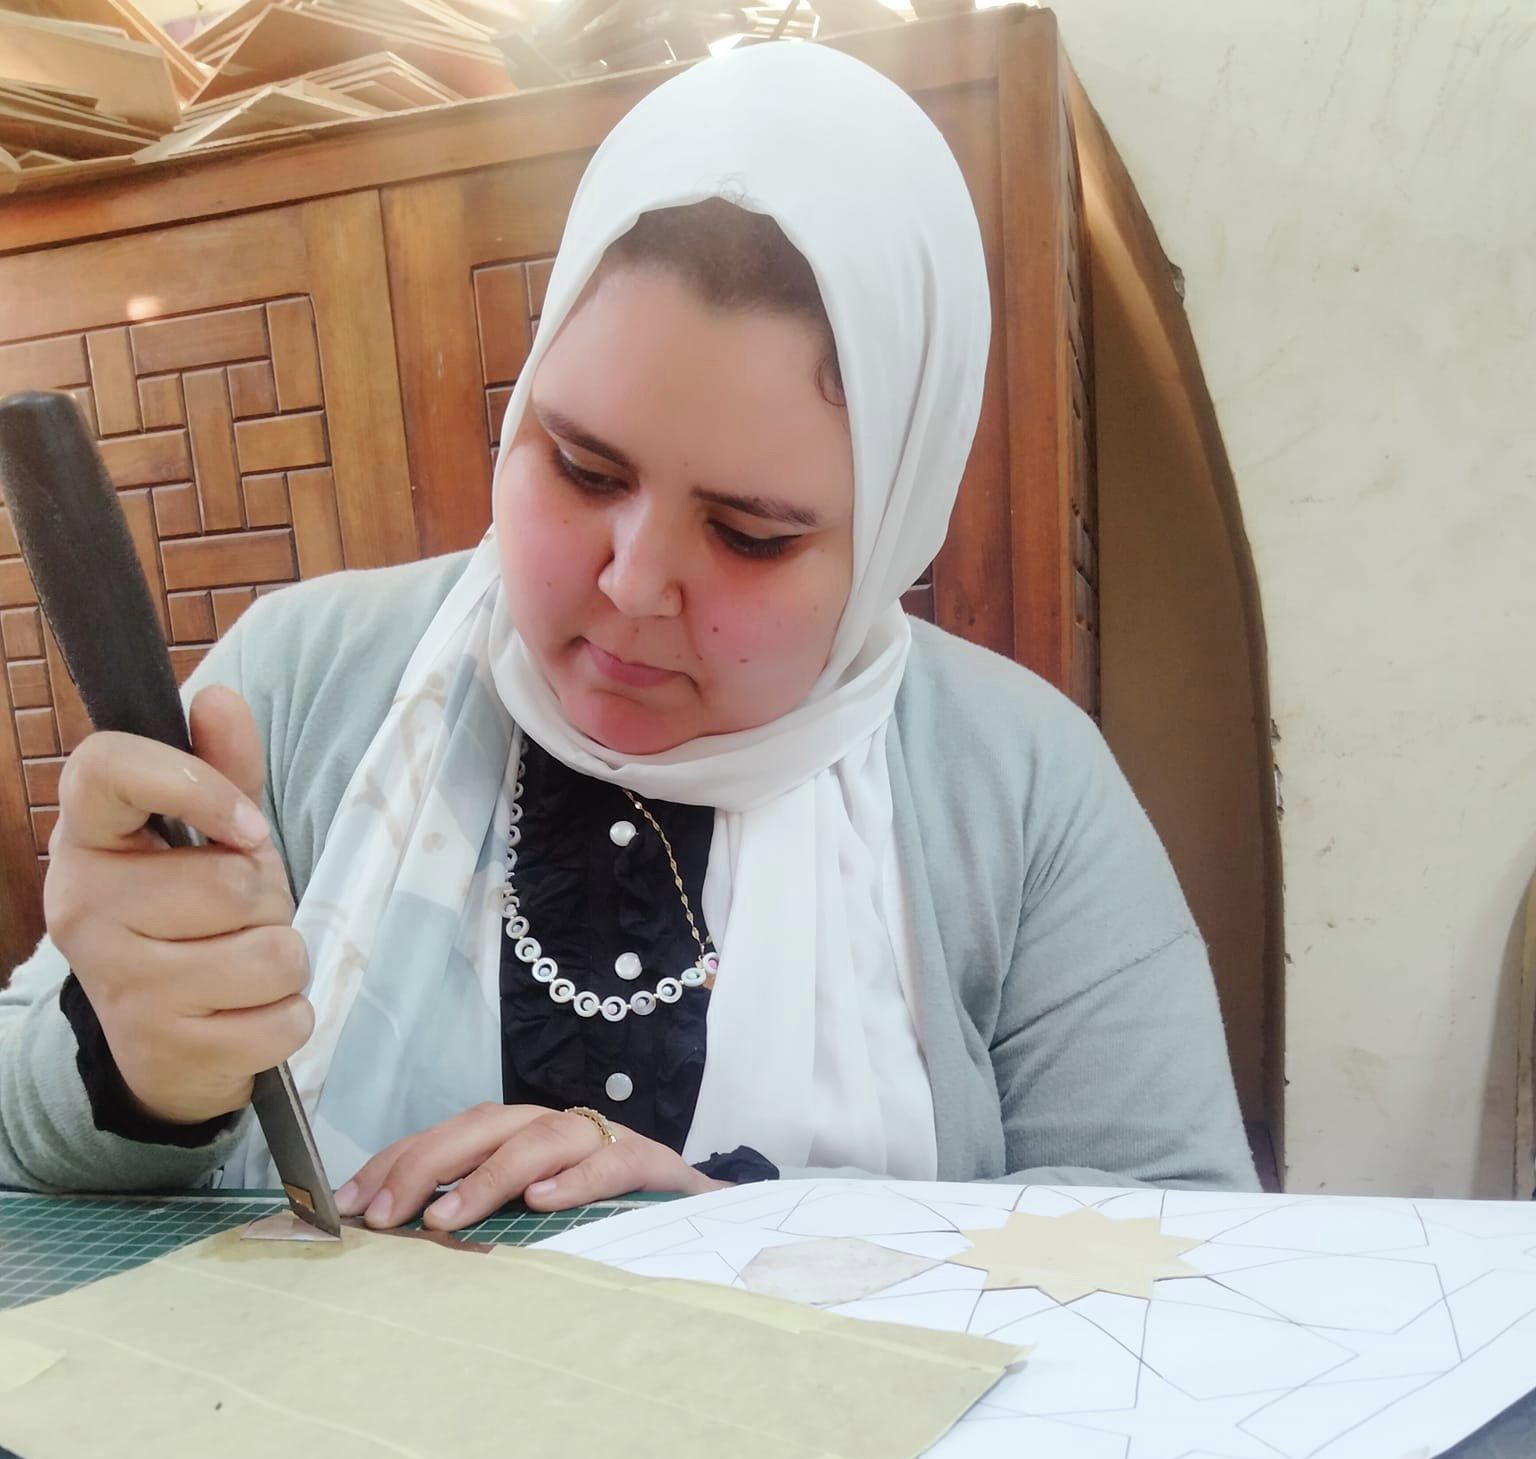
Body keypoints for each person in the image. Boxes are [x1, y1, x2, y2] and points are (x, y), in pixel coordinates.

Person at [0, 39, 1256, 1227]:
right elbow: (20, 1129)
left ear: (889, 539)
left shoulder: (1020, 782)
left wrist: (725, 1232)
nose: (634, 584)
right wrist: (137, 1068)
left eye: (751, 535)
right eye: (583, 468)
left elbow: (1177, 1231)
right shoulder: (301, 682)